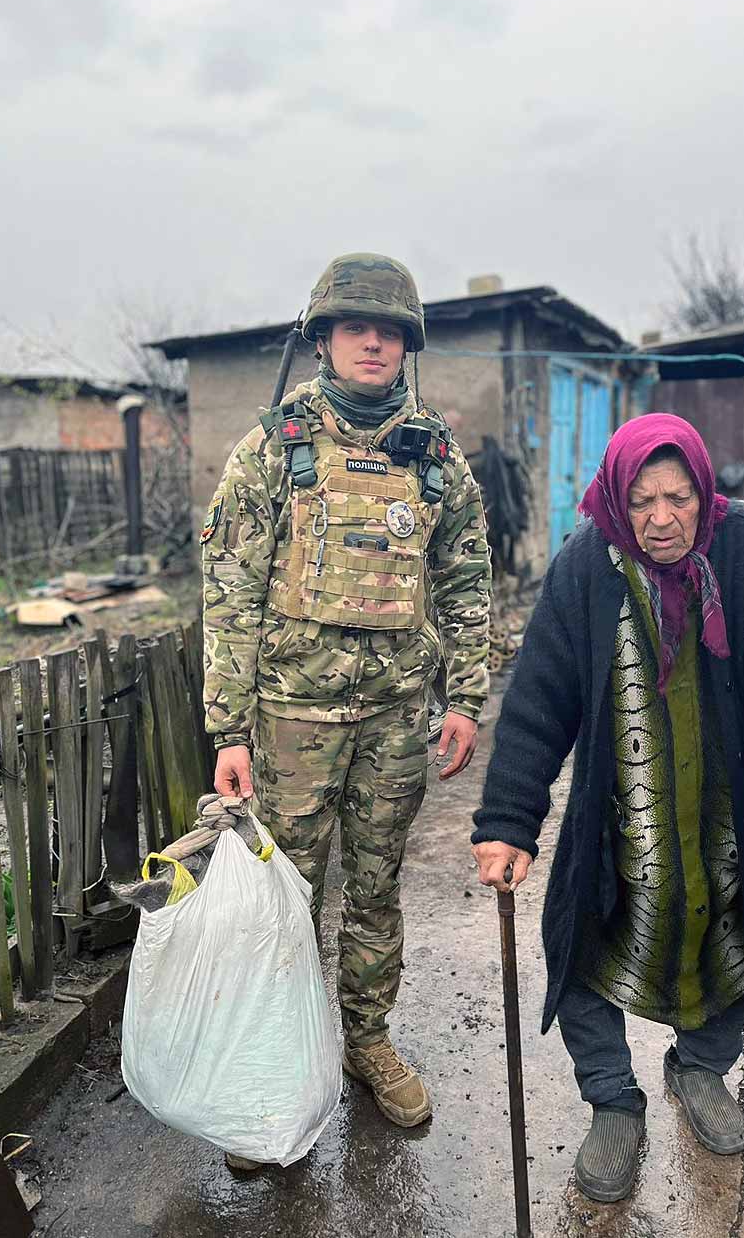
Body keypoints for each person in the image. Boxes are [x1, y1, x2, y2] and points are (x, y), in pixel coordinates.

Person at [471, 414, 744, 1204]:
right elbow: (540, 700)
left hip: (727, 811)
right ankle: (613, 1099)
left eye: (678, 497)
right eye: (642, 500)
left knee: (733, 934)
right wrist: (510, 820)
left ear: (704, 492)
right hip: (622, 815)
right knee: (585, 947)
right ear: (617, 496)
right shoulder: (587, 564)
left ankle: (699, 1067)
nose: (660, 519)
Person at [202, 252, 492, 1157]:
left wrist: (467, 697)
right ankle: (270, 1064)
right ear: (323, 336)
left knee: (374, 890)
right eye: (356, 325)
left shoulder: (436, 457)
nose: (374, 341)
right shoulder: (273, 450)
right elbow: (229, 589)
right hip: (291, 722)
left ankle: (366, 1040)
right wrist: (229, 727)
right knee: (282, 897)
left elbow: (468, 583)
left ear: (408, 344)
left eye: (391, 329)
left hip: (398, 719)